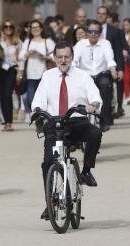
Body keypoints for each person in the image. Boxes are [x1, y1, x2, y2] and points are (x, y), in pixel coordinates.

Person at [31, 41, 103, 219]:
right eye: (60, 57)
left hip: (76, 121)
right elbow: (38, 100)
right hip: (54, 124)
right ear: (54, 58)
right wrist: (38, 111)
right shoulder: (47, 76)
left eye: (67, 57)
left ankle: (86, 171)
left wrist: (92, 105)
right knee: (48, 163)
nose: (63, 60)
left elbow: (95, 96)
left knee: (95, 133)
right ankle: (50, 203)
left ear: (72, 58)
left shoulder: (82, 75)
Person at [73, 19, 118, 132]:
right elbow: (74, 60)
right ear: (87, 32)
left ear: (100, 33)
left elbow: (110, 59)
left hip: (101, 75)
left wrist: (113, 70)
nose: (93, 34)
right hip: (85, 76)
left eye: (96, 32)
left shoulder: (105, 43)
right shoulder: (80, 44)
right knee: (76, 97)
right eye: (91, 31)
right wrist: (72, 71)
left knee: (105, 86)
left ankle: (103, 120)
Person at [18, 20, 55, 123]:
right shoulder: (28, 41)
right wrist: (28, 53)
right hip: (30, 74)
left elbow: (55, 54)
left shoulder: (47, 41)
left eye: (37, 27)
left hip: (45, 73)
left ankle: (42, 118)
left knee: (45, 97)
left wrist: (46, 57)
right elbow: (20, 56)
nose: (35, 30)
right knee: (30, 98)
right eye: (33, 28)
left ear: (41, 28)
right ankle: (37, 115)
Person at [96, 6, 125, 118]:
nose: (101, 15)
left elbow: (118, 51)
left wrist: (121, 69)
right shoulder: (90, 29)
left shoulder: (115, 31)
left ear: (107, 16)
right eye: (99, 13)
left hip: (110, 67)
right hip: (95, 66)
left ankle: (108, 115)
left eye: (103, 14)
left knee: (108, 91)